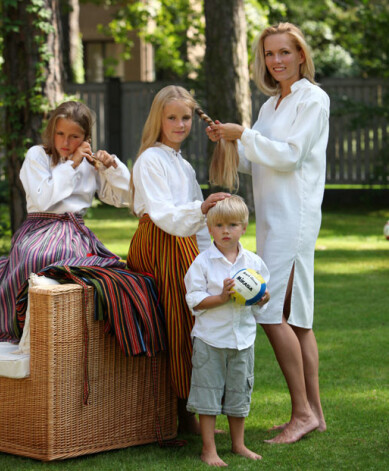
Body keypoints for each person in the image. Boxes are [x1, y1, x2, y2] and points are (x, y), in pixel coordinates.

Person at [206, 22, 329, 444]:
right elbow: (260, 160)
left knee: (268, 310)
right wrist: (229, 142)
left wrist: (246, 136)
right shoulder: (271, 106)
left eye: (284, 53)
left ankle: (302, 413)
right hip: (274, 219)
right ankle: (315, 413)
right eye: (269, 55)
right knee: (297, 320)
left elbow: (291, 157)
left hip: (294, 217)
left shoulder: (313, 99)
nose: (276, 61)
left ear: (300, 55)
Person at [126, 85, 230, 433]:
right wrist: (201, 208)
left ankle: (192, 407)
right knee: (178, 320)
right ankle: (184, 411)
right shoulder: (150, 159)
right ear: (159, 119)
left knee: (193, 319)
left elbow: (197, 223)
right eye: (172, 117)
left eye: (185, 117)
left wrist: (209, 257)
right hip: (160, 243)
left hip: (181, 242)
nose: (180, 124)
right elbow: (163, 215)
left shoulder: (181, 164)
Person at [0, 100, 131, 342]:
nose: (66, 143)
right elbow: (44, 199)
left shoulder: (91, 164)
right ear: (52, 132)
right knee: (36, 257)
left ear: (86, 138)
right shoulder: (37, 155)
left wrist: (112, 168)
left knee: (103, 272)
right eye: (60, 134)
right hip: (39, 228)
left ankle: (69, 329)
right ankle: (17, 323)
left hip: (74, 232)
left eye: (74, 136)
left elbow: (125, 198)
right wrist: (71, 165)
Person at [184, 195, 270, 467]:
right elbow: (194, 299)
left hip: (242, 340)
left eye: (233, 225)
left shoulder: (253, 263)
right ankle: (208, 449)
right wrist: (221, 297)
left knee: (238, 393)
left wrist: (262, 298)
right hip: (210, 340)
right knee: (207, 393)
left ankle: (238, 444)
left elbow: (262, 298)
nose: (225, 231)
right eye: (219, 225)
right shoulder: (203, 263)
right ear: (209, 228)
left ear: (244, 227)